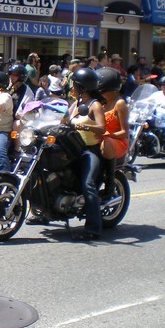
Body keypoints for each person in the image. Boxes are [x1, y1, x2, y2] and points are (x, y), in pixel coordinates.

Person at [66, 68, 107, 241]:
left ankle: (94, 228)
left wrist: (86, 126)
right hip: (73, 149)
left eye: (74, 85)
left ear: (82, 87)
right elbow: (64, 121)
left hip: (90, 150)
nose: (72, 87)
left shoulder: (94, 105)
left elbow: (102, 127)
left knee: (88, 184)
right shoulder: (75, 104)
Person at [97, 67, 129, 199]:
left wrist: (108, 135)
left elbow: (124, 132)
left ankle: (109, 185)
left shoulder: (120, 103)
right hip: (98, 138)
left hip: (116, 141)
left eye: (103, 91)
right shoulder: (99, 103)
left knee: (105, 143)